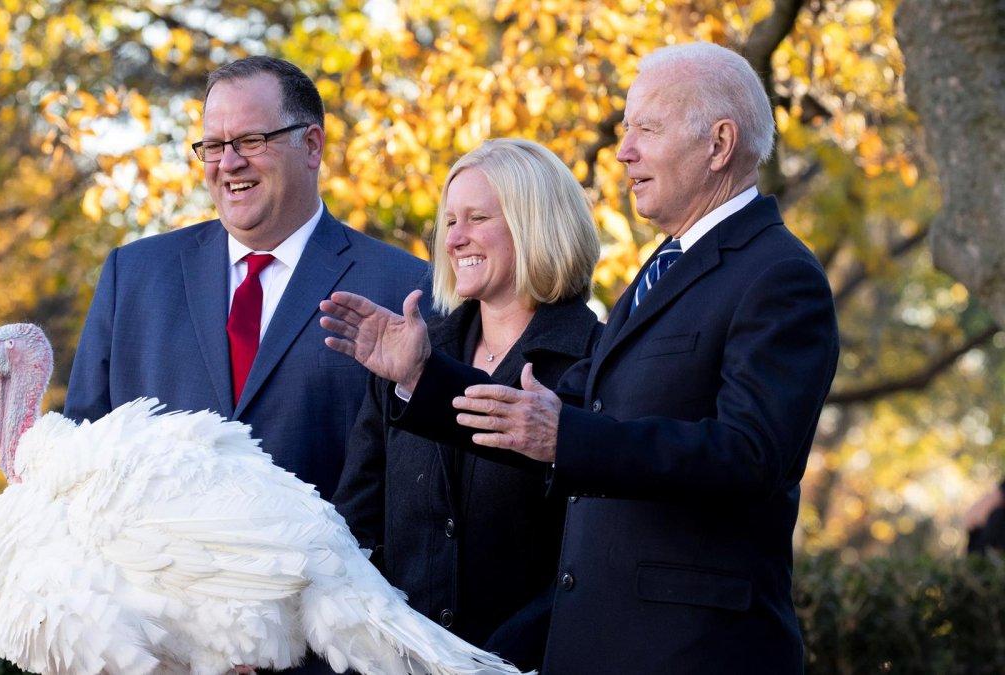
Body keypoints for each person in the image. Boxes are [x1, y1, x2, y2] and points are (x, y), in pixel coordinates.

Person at [321, 42, 840, 673]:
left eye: (646, 129)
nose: (624, 151)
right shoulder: (665, 270)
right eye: (626, 131)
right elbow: (545, 420)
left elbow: (751, 456)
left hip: (695, 652)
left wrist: (566, 437)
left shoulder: (778, 274)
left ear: (719, 144)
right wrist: (421, 378)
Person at [64, 56, 427, 513]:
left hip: (327, 578)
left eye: (251, 141)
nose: (229, 163)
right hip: (154, 579)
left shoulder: (404, 288)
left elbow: (421, 483)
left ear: (312, 145)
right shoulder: (133, 276)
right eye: (213, 146)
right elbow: (79, 458)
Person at [331, 139, 602, 671]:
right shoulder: (410, 351)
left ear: (535, 224)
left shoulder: (597, 361)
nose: (455, 239)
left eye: (477, 217)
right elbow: (355, 523)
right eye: (449, 221)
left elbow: (593, 552)